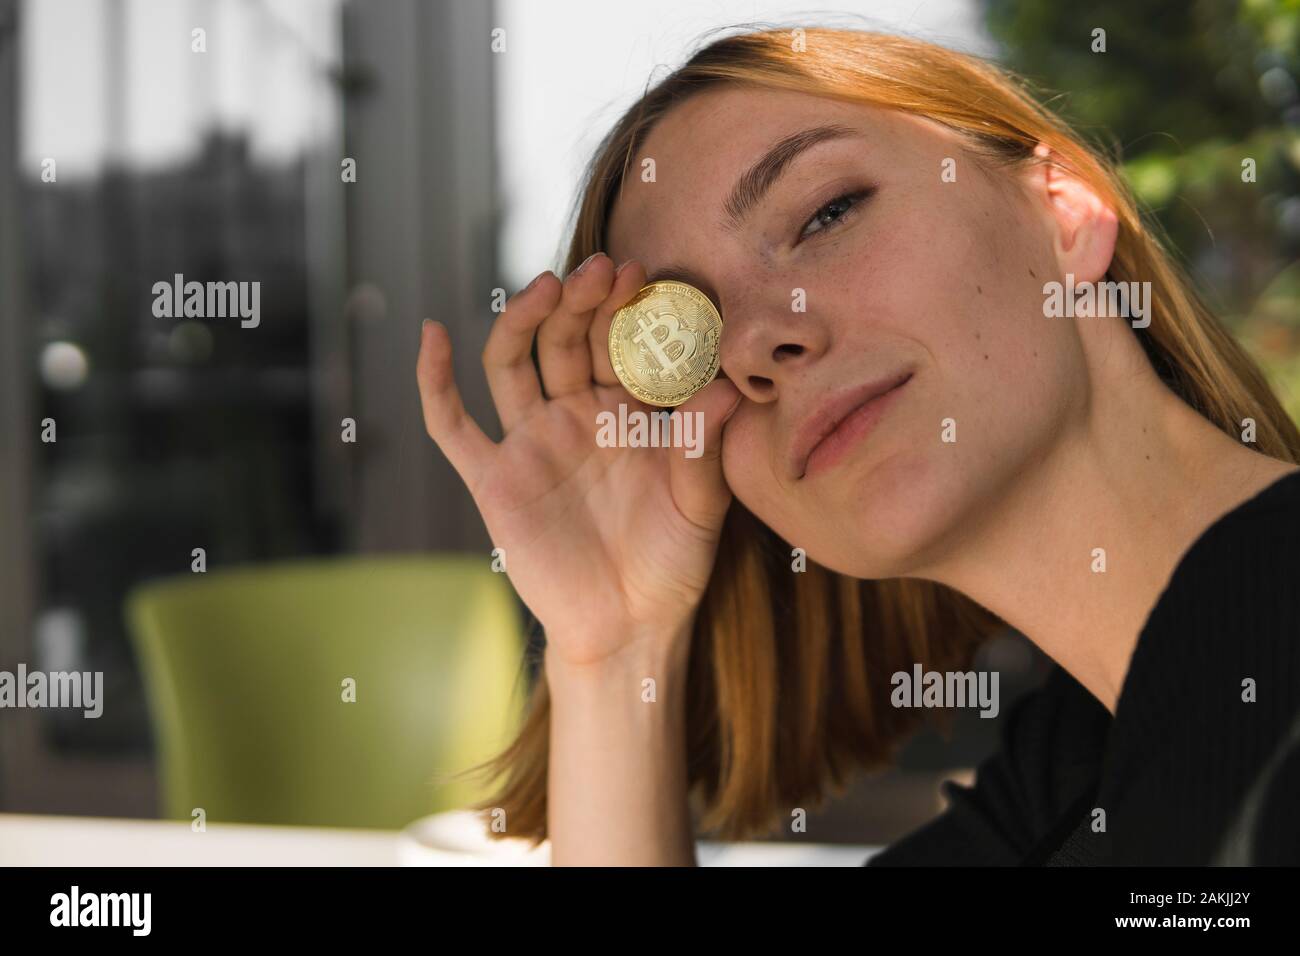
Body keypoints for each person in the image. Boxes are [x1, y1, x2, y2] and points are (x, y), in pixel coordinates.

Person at [415, 26, 1300, 865]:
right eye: (694, 336)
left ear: (1064, 213)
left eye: (827, 213)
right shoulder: (1065, 788)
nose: (757, 343)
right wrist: (615, 651)